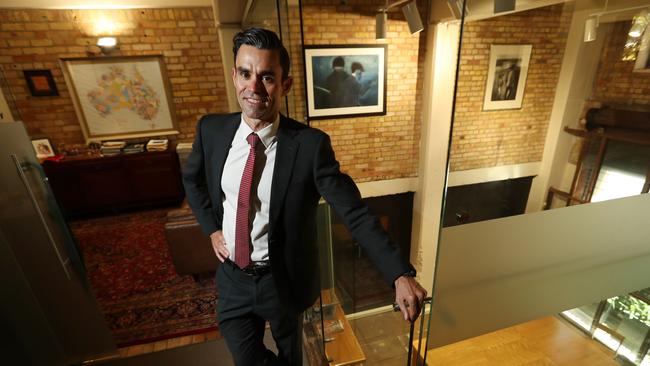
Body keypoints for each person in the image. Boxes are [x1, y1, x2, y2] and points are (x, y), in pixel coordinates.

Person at [183, 27, 426, 366]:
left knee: (294, 355)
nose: (253, 88)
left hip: (282, 282)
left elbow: (353, 212)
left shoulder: (310, 147)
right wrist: (212, 228)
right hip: (233, 278)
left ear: (285, 85)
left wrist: (398, 273)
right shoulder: (211, 130)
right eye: (245, 73)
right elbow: (192, 181)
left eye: (266, 77)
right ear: (234, 75)